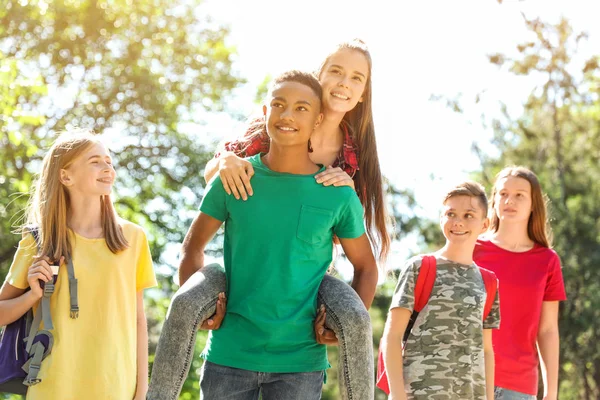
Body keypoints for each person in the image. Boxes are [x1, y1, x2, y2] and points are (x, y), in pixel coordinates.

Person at [149, 40, 387, 400]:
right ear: (318, 75)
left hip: (313, 278)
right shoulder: (270, 126)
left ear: (362, 94)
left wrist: (343, 187)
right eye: (336, 71)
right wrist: (227, 159)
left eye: (356, 78)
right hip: (247, 276)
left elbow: (358, 248)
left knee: (355, 319)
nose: (344, 82)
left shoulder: (353, 155)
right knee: (185, 302)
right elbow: (217, 173)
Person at [0, 129, 157, 399]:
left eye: (109, 161)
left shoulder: (131, 238)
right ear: (66, 176)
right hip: (51, 386)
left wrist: (141, 390)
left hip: (114, 387)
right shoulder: (39, 240)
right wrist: (32, 295)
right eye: (95, 161)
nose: (107, 167)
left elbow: (138, 320)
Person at [380, 181, 500, 400]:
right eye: (451, 214)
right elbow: (392, 335)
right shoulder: (419, 267)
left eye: (468, 215)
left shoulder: (488, 281)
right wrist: (397, 395)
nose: (458, 222)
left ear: (485, 224)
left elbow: (486, 350)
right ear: (441, 218)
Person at [473, 167, 566, 400]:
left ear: (533, 204)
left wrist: (551, 392)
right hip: (468, 377)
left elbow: (547, 330)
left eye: (519, 195)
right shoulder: (471, 249)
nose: (509, 200)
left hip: (518, 386)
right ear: (494, 201)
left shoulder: (547, 261)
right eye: (503, 194)